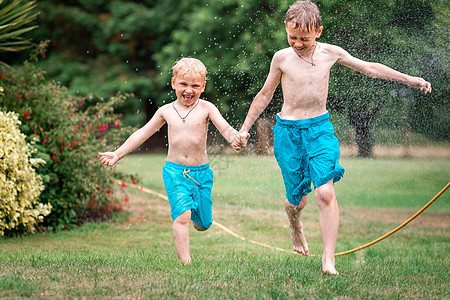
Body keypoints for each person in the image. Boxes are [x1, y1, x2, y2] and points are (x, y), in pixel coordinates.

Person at [232, 0, 431, 275]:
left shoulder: (330, 53)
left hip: (320, 130)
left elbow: (370, 68)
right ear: (286, 29)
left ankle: (328, 260)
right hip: (288, 133)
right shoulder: (281, 58)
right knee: (296, 202)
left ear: (319, 31)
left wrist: (410, 79)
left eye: (304, 38)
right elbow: (265, 94)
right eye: (292, 37)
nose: (297, 43)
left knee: (324, 192)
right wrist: (244, 128)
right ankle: (295, 224)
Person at [99, 57, 242, 264]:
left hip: (201, 173)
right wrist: (118, 153)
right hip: (175, 173)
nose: (189, 90)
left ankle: (198, 217)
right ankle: (186, 262)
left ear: (203, 87)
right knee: (182, 216)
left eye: (195, 85)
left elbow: (226, 129)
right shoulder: (165, 111)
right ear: (174, 83)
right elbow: (142, 133)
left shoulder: (207, 109)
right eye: (183, 84)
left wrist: (234, 138)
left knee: (204, 223)